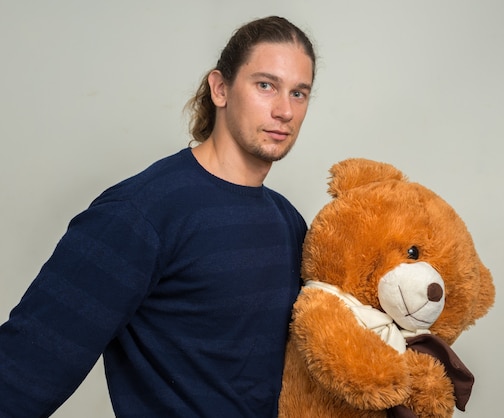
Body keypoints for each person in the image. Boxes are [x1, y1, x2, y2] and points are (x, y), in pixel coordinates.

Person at [0, 15, 316, 417]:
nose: (284, 110)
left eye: (299, 93)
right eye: (265, 85)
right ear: (220, 88)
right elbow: (22, 371)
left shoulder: (288, 221)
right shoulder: (140, 213)